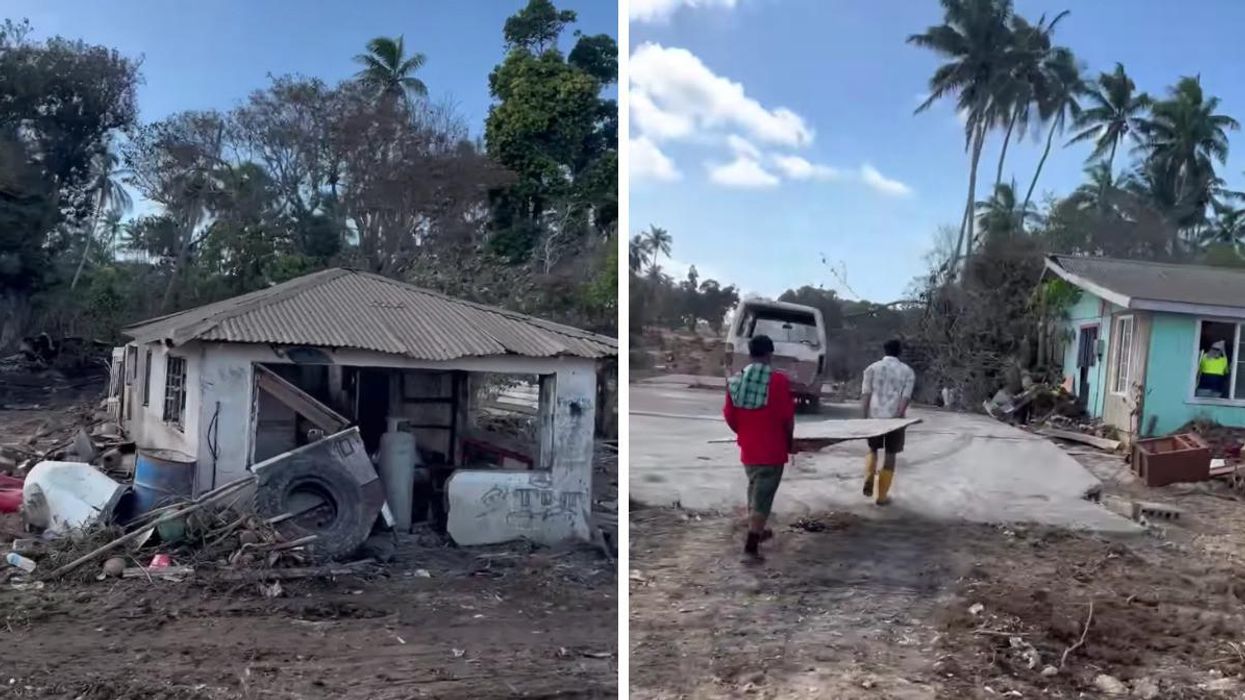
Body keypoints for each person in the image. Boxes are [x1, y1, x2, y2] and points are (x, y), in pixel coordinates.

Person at [723, 334, 795, 562]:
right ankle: (751, 546)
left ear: (750, 353)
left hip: (749, 449)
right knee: (763, 495)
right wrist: (790, 441)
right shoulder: (778, 381)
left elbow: (729, 416)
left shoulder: (735, 381)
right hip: (772, 449)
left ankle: (759, 530)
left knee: (755, 488)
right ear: (769, 354)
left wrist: (744, 433)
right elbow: (787, 418)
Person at [860, 339, 916, 506]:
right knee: (891, 454)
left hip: (874, 416)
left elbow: (866, 394)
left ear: (884, 351)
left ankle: (869, 475)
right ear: (900, 352)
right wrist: (899, 415)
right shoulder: (907, 371)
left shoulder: (871, 369)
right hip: (894, 419)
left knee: (873, 448)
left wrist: (863, 416)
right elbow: (905, 397)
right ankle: (882, 497)